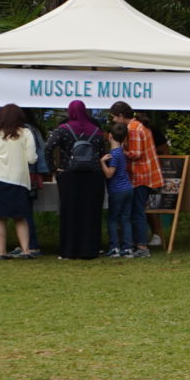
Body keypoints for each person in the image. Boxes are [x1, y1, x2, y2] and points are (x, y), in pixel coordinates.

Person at [0, 104, 40, 258]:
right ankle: (26, 250)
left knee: (0, 217)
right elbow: (31, 159)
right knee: (20, 216)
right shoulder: (25, 133)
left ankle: (2, 252)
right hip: (17, 178)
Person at [48, 100, 107, 261]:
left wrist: (53, 168)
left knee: (70, 212)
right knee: (91, 213)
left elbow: (49, 147)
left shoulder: (63, 130)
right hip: (93, 176)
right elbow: (103, 152)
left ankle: (69, 250)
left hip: (69, 175)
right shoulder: (96, 131)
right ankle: (89, 249)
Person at [108, 101, 164, 255]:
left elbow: (136, 153)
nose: (113, 121)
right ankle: (136, 243)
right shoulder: (140, 125)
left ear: (120, 116)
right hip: (147, 174)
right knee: (137, 210)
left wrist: (117, 152)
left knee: (137, 211)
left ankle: (142, 246)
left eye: (114, 117)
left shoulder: (132, 128)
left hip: (140, 175)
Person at [102, 121, 139, 258]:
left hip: (117, 190)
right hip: (128, 188)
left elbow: (109, 174)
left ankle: (114, 247)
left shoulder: (113, 154)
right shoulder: (122, 152)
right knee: (125, 218)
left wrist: (102, 163)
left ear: (110, 136)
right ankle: (128, 247)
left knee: (112, 219)